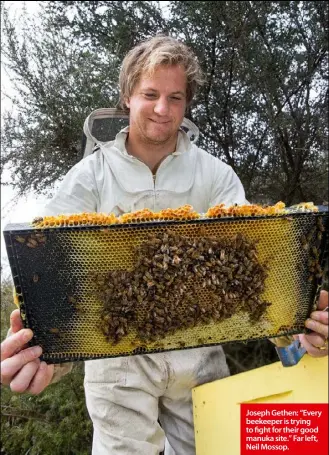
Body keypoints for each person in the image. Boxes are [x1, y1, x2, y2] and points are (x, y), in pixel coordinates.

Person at [1, 35, 328, 455]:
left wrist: (299, 333)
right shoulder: (89, 178)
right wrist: (46, 355)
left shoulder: (216, 176)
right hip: (117, 372)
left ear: (187, 103)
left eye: (175, 97)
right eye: (150, 94)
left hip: (201, 363)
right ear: (127, 96)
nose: (162, 109)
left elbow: (257, 271)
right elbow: (53, 281)